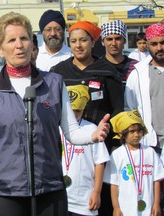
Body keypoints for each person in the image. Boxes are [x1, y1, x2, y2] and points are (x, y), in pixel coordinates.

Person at [0, 12, 110, 216]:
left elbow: (72, 133)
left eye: (23, 38)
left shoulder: (54, 83)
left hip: (50, 187)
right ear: (0, 49)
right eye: (11, 40)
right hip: (7, 191)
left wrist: (93, 136)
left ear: (32, 45)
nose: (19, 45)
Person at [51, 21, 123, 150]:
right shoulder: (58, 72)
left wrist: (109, 132)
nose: (78, 45)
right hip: (67, 144)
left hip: (101, 143)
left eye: (83, 40)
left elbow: (117, 109)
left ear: (93, 42)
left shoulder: (107, 72)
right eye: (73, 41)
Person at [103, 110, 164, 216]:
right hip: (126, 209)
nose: (136, 135)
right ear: (122, 133)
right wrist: (116, 207)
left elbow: (156, 180)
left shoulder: (150, 152)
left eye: (139, 131)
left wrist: (156, 203)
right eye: (132, 131)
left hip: (148, 209)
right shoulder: (117, 155)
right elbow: (114, 184)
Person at [61, 85, 110, 216]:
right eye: (70, 110)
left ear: (84, 109)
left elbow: (99, 163)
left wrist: (97, 192)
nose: (74, 115)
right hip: (59, 198)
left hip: (83, 200)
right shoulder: (55, 127)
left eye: (78, 110)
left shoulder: (92, 129)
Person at [125, 23, 164, 148]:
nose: (159, 48)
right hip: (151, 143)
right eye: (154, 44)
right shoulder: (138, 73)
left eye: (162, 42)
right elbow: (130, 108)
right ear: (147, 45)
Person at [100, 20, 138, 89]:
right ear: (103, 42)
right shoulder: (96, 67)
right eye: (109, 39)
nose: (114, 43)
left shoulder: (136, 67)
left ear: (124, 41)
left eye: (118, 39)